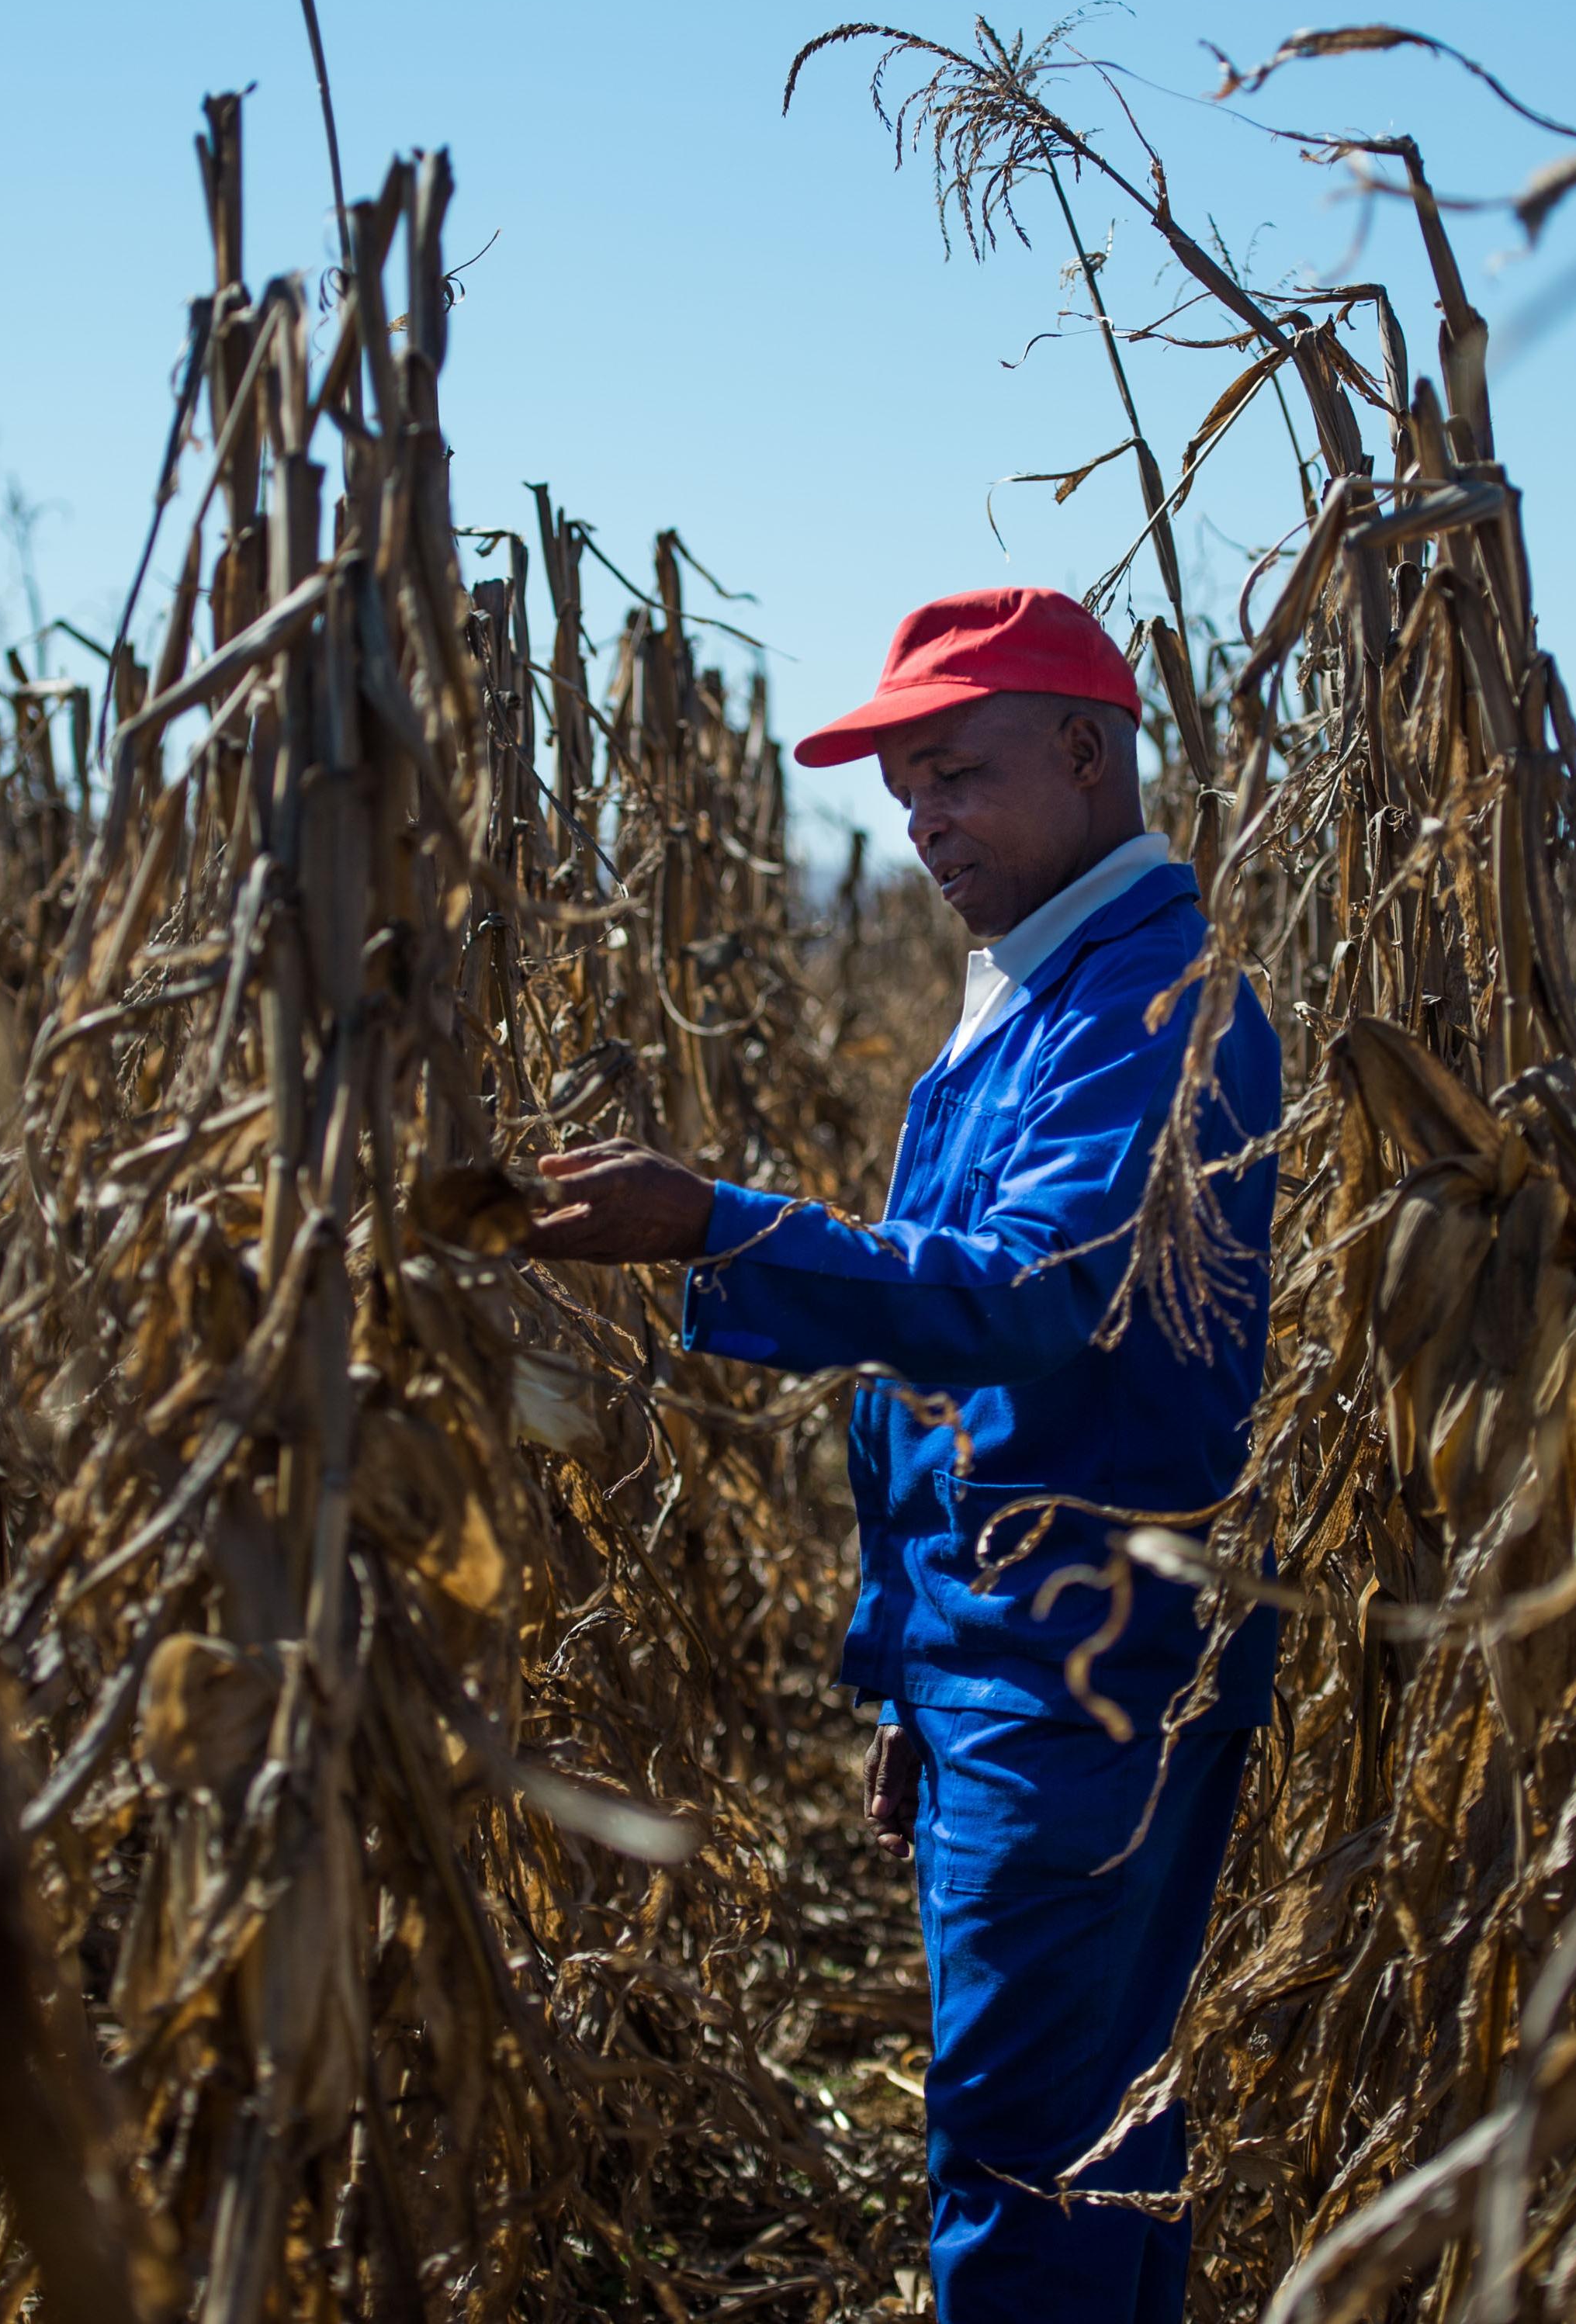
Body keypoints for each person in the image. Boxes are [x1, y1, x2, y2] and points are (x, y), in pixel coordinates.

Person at [523, 585, 1281, 2324]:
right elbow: (951, 1398)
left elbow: (1028, 1298)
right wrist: (904, 1683)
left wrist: (710, 1221)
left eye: (955, 773)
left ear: (1085, 751)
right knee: (1092, 2137)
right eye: (903, 787)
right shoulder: (1031, 993)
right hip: (1005, 1666)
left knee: (1021, 2155)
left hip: (1086, 1674)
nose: (920, 822)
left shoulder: (1146, 1001)